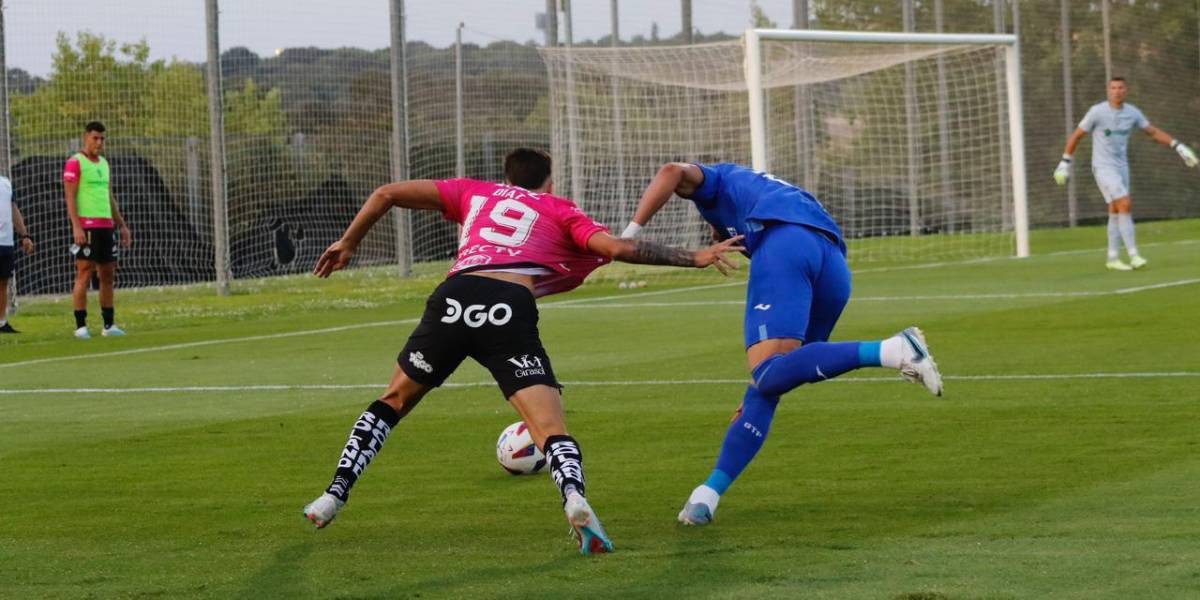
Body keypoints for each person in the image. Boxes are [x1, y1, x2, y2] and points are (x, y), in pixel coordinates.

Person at [301, 148, 744, 555]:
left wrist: (349, 243)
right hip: (508, 306)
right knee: (549, 425)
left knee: (393, 400)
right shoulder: (559, 208)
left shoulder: (473, 192)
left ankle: (332, 495)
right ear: (548, 182)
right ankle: (575, 499)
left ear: (506, 176)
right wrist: (694, 256)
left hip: (455, 295)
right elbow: (615, 248)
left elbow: (386, 193)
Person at [622, 162, 943, 526]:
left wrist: (629, 235)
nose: (716, 237)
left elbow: (670, 171)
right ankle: (706, 496)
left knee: (768, 373)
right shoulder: (762, 192)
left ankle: (893, 349)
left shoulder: (718, 180)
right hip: (833, 264)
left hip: (785, 245)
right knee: (771, 382)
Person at [1054, 77, 1197, 271]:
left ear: (1126, 90)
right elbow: (1077, 135)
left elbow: (1152, 132)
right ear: (1108, 90)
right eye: (1113, 88)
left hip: (1122, 168)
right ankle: (1134, 255)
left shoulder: (1132, 113)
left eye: (1120, 87)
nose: (1117, 91)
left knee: (1115, 209)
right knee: (1125, 203)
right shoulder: (1097, 112)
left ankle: (1112, 258)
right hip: (1103, 167)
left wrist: (1178, 146)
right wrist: (1065, 162)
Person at [63, 121, 132, 339]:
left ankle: (109, 325)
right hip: (87, 227)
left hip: (106, 227)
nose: (99, 142)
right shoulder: (75, 163)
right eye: (95, 138)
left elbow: (109, 197)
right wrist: (77, 226)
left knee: (108, 275)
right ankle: (81, 326)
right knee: (84, 273)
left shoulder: (104, 163)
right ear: (86, 137)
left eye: (102, 138)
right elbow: (70, 197)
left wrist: (121, 225)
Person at [1, 175, 35, 334]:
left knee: (3, 283)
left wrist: (24, 235)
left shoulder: (6, 183)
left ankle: (1, 323)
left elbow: (13, 209)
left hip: (6, 242)